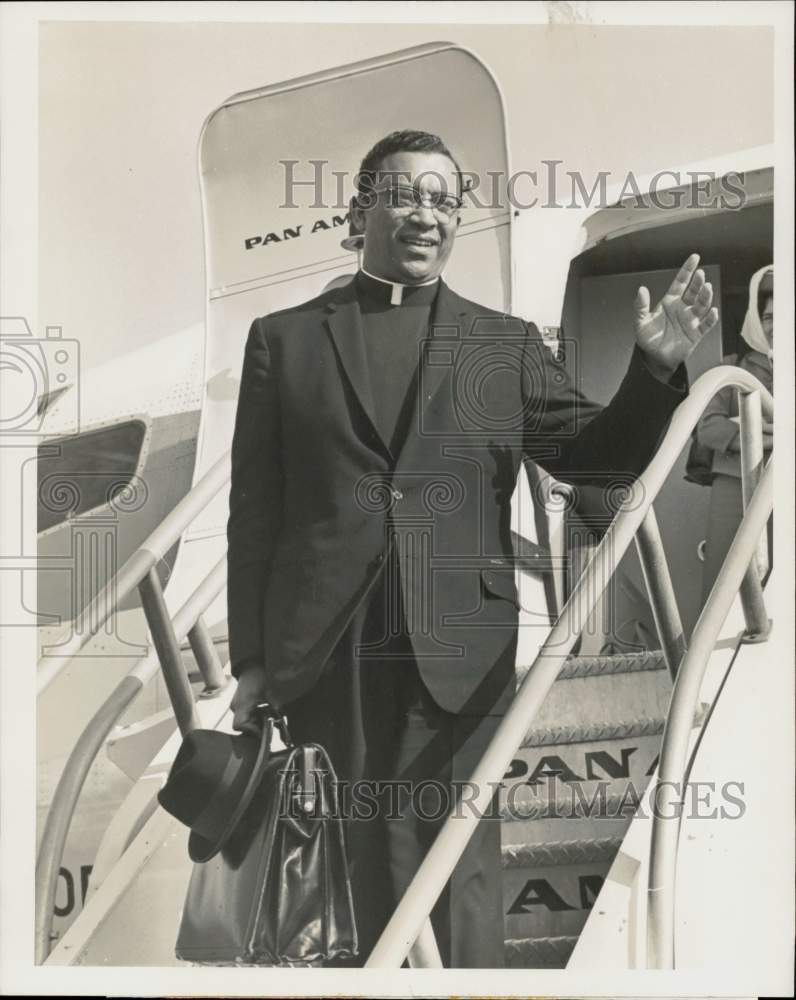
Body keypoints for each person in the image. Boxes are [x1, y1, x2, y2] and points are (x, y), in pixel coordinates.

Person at [226, 130, 718, 968]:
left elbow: (593, 460)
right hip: (326, 652)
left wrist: (652, 371)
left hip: (458, 646)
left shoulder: (501, 342)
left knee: (458, 876)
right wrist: (250, 663)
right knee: (342, 872)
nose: (428, 215)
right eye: (407, 195)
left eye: (445, 202)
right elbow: (255, 516)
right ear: (361, 210)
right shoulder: (284, 340)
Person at [697, 265, 773, 601]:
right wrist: (770, 434)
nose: (774, 324)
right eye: (768, 316)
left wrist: (746, 426)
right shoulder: (731, 368)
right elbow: (709, 429)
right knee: (723, 582)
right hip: (733, 481)